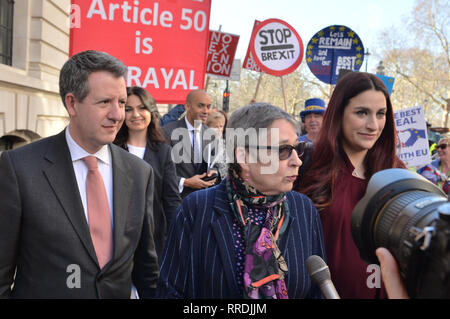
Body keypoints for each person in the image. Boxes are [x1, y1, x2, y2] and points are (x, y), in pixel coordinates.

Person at [0, 50, 159, 298]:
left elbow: (147, 271)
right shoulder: (19, 167)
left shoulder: (140, 173)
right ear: (72, 103)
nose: (117, 115)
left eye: (121, 103)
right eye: (105, 102)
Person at [157, 103, 327, 299]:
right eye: (283, 150)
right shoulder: (197, 208)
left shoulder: (303, 208)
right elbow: (170, 290)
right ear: (243, 157)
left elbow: (317, 292)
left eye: (298, 148)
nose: (296, 160)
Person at [296, 71, 406, 299]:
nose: (373, 125)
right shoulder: (305, 165)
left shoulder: (398, 172)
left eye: (381, 113)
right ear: (339, 114)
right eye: (362, 112)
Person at [114, 86, 181, 260]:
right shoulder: (110, 149)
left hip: (152, 240)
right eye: (128, 109)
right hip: (115, 239)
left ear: (151, 111)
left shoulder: (163, 152)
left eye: (142, 108)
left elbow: (171, 199)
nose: (136, 114)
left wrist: (177, 241)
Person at [162, 89, 218, 199]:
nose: (206, 111)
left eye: (208, 106)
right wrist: (185, 182)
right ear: (187, 106)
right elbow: (161, 171)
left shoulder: (210, 134)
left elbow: (216, 163)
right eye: (201, 106)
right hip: (176, 201)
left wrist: (214, 172)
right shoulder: (167, 132)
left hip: (203, 200)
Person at [206, 111, 227, 179]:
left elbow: (225, 168)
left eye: (221, 126)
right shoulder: (201, 144)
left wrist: (216, 171)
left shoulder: (225, 145)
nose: (219, 129)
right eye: (215, 127)